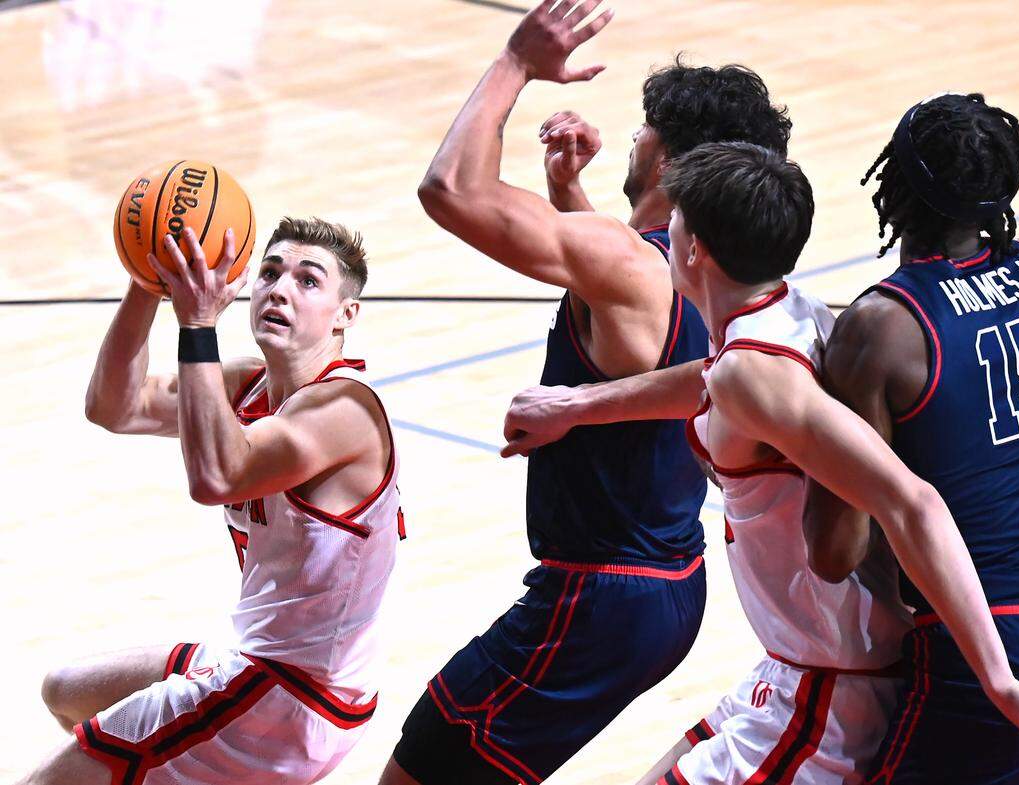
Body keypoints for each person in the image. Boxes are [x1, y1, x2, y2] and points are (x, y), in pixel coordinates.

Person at [500, 141, 1019, 785]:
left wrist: (1000, 680)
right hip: (798, 662)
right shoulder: (787, 318)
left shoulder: (751, 371)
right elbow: (712, 381)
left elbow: (913, 502)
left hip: (836, 682)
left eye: (672, 220)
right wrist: (576, 405)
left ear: (694, 249)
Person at [381, 1, 794, 784]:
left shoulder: (626, 262)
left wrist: (516, 60)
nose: (632, 137)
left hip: (598, 595)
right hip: (666, 582)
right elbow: (643, 325)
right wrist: (569, 194)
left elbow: (448, 189)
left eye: (645, 128)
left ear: (669, 160)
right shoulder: (720, 270)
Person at [803, 92, 1019, 784]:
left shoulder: (882, 326)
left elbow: (836, 550)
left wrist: (791, 437)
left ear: (895, 191)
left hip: (987, 642)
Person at [20, 217, 402, 785]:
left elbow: (218, 479)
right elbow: (113, 406)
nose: (279, 288)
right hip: (258, 664)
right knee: (68, 693)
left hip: (294, 695)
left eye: (308, 280)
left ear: (347, 315)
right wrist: (148, 283)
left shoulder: (343, 412)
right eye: (270, 272)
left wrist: (197, 323)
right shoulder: (248, 385)